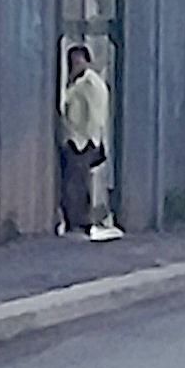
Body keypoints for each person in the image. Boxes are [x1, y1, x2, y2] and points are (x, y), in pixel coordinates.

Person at [59, 45, 117, 241]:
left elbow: (96, 114)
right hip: (73, 138)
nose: (76, 64)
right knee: (73, 181)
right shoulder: (76, 82)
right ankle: (73, 220)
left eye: (79, 60)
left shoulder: (91, 83)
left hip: (82, 141)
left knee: (78, 183)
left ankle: (81, 222)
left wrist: (88, 140)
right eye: (73, 60)